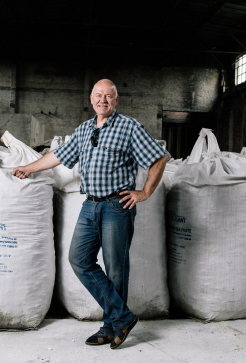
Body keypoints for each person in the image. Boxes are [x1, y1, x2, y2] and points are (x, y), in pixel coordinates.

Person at [13, 79, 168, 349]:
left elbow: (159, 158)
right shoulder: (84, 129)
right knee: (79, 259)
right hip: (90, 204)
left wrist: (143, 193)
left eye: (109, 96)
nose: (103, 100)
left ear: (116, 100)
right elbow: (58, 155)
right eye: (98, 95)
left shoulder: (129, 127)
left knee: (116, 269)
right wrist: (30, 167)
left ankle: (111, 326)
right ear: (91, 98)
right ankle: (122, 318)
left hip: (116, 206)